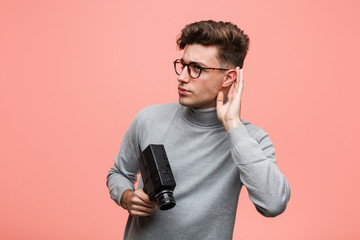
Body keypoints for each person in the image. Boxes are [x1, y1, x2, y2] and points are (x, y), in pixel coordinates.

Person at [106, 20, 291, 239]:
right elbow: (118, 173)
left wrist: (233, 127)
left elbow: (273, 204)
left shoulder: (251, 139)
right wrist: (126, 197)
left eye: (197, 69)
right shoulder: (148, 118)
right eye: (183, 65)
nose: (182, 77)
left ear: (229, 77)